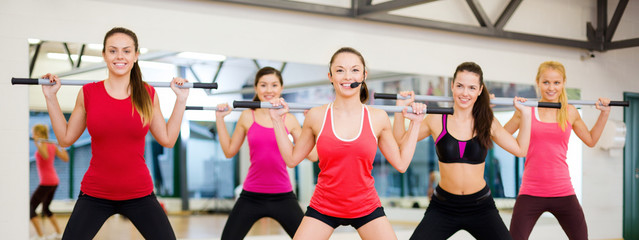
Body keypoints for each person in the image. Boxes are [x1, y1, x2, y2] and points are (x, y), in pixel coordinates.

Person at [41, 27, 189, 239]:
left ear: (136, 56)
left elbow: (167, 139)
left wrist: (181, 101)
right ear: (104, 55)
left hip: (139, 193)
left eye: (127, 51)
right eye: (113, 51)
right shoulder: (88, 93)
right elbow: (65, 138)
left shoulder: (148, 94)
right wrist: (50, 97)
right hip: (95, 193)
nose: (120, 56)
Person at [268, 47, 427, 240]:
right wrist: (277, 121)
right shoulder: (317, 116)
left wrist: (416, 124)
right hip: (324, 204)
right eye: (340, 70)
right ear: (331, 76)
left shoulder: (378, 117)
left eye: (354, 70)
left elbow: (401, 164)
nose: (347, 76)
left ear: (364, 75)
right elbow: (292, 159)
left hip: (365, 205)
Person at [394, 62, 532, 240]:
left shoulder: (487, 121)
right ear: (452, 86)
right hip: (444, 206)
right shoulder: (436, 118)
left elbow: (520, 150)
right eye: (460, 86)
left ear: (480, 90)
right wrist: (400, 109)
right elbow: (400, 141)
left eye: (472, 88)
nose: (465, 93)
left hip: (480, 206)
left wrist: (526, 116)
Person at [505, 61, 610, 240]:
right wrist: (487, 107)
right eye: (546, 82)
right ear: (538, 82)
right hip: (531, 191)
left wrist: (604, 114)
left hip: (563, 191)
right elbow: (501, 134)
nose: (551, 88)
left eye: (556, 82)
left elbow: (591, 140)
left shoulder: (570, 112)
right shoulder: (526, 110)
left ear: (563, 83)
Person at [215, 67, 317, 239]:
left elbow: (313, 155)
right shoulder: (248, 116)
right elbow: (229, 151)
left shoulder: (289, 119)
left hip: (283, 196)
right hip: (251, 195)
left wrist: (310, 123)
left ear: (281, 88)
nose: (269, 90)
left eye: (274, 85)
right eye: (263, 85)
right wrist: (219, 119)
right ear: (256, 88)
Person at [30, 124, 69, 240]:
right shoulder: (51, 145)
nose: (32, 135)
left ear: (38, 133)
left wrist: (37, 143)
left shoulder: (45, 144)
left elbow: (46, 156)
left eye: (34, 133)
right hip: (53, 181)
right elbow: (65, 158)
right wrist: (59, 147)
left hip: (47, 182)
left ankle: (40, 235)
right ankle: (58, 233)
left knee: (30, 208)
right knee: (46, 208)